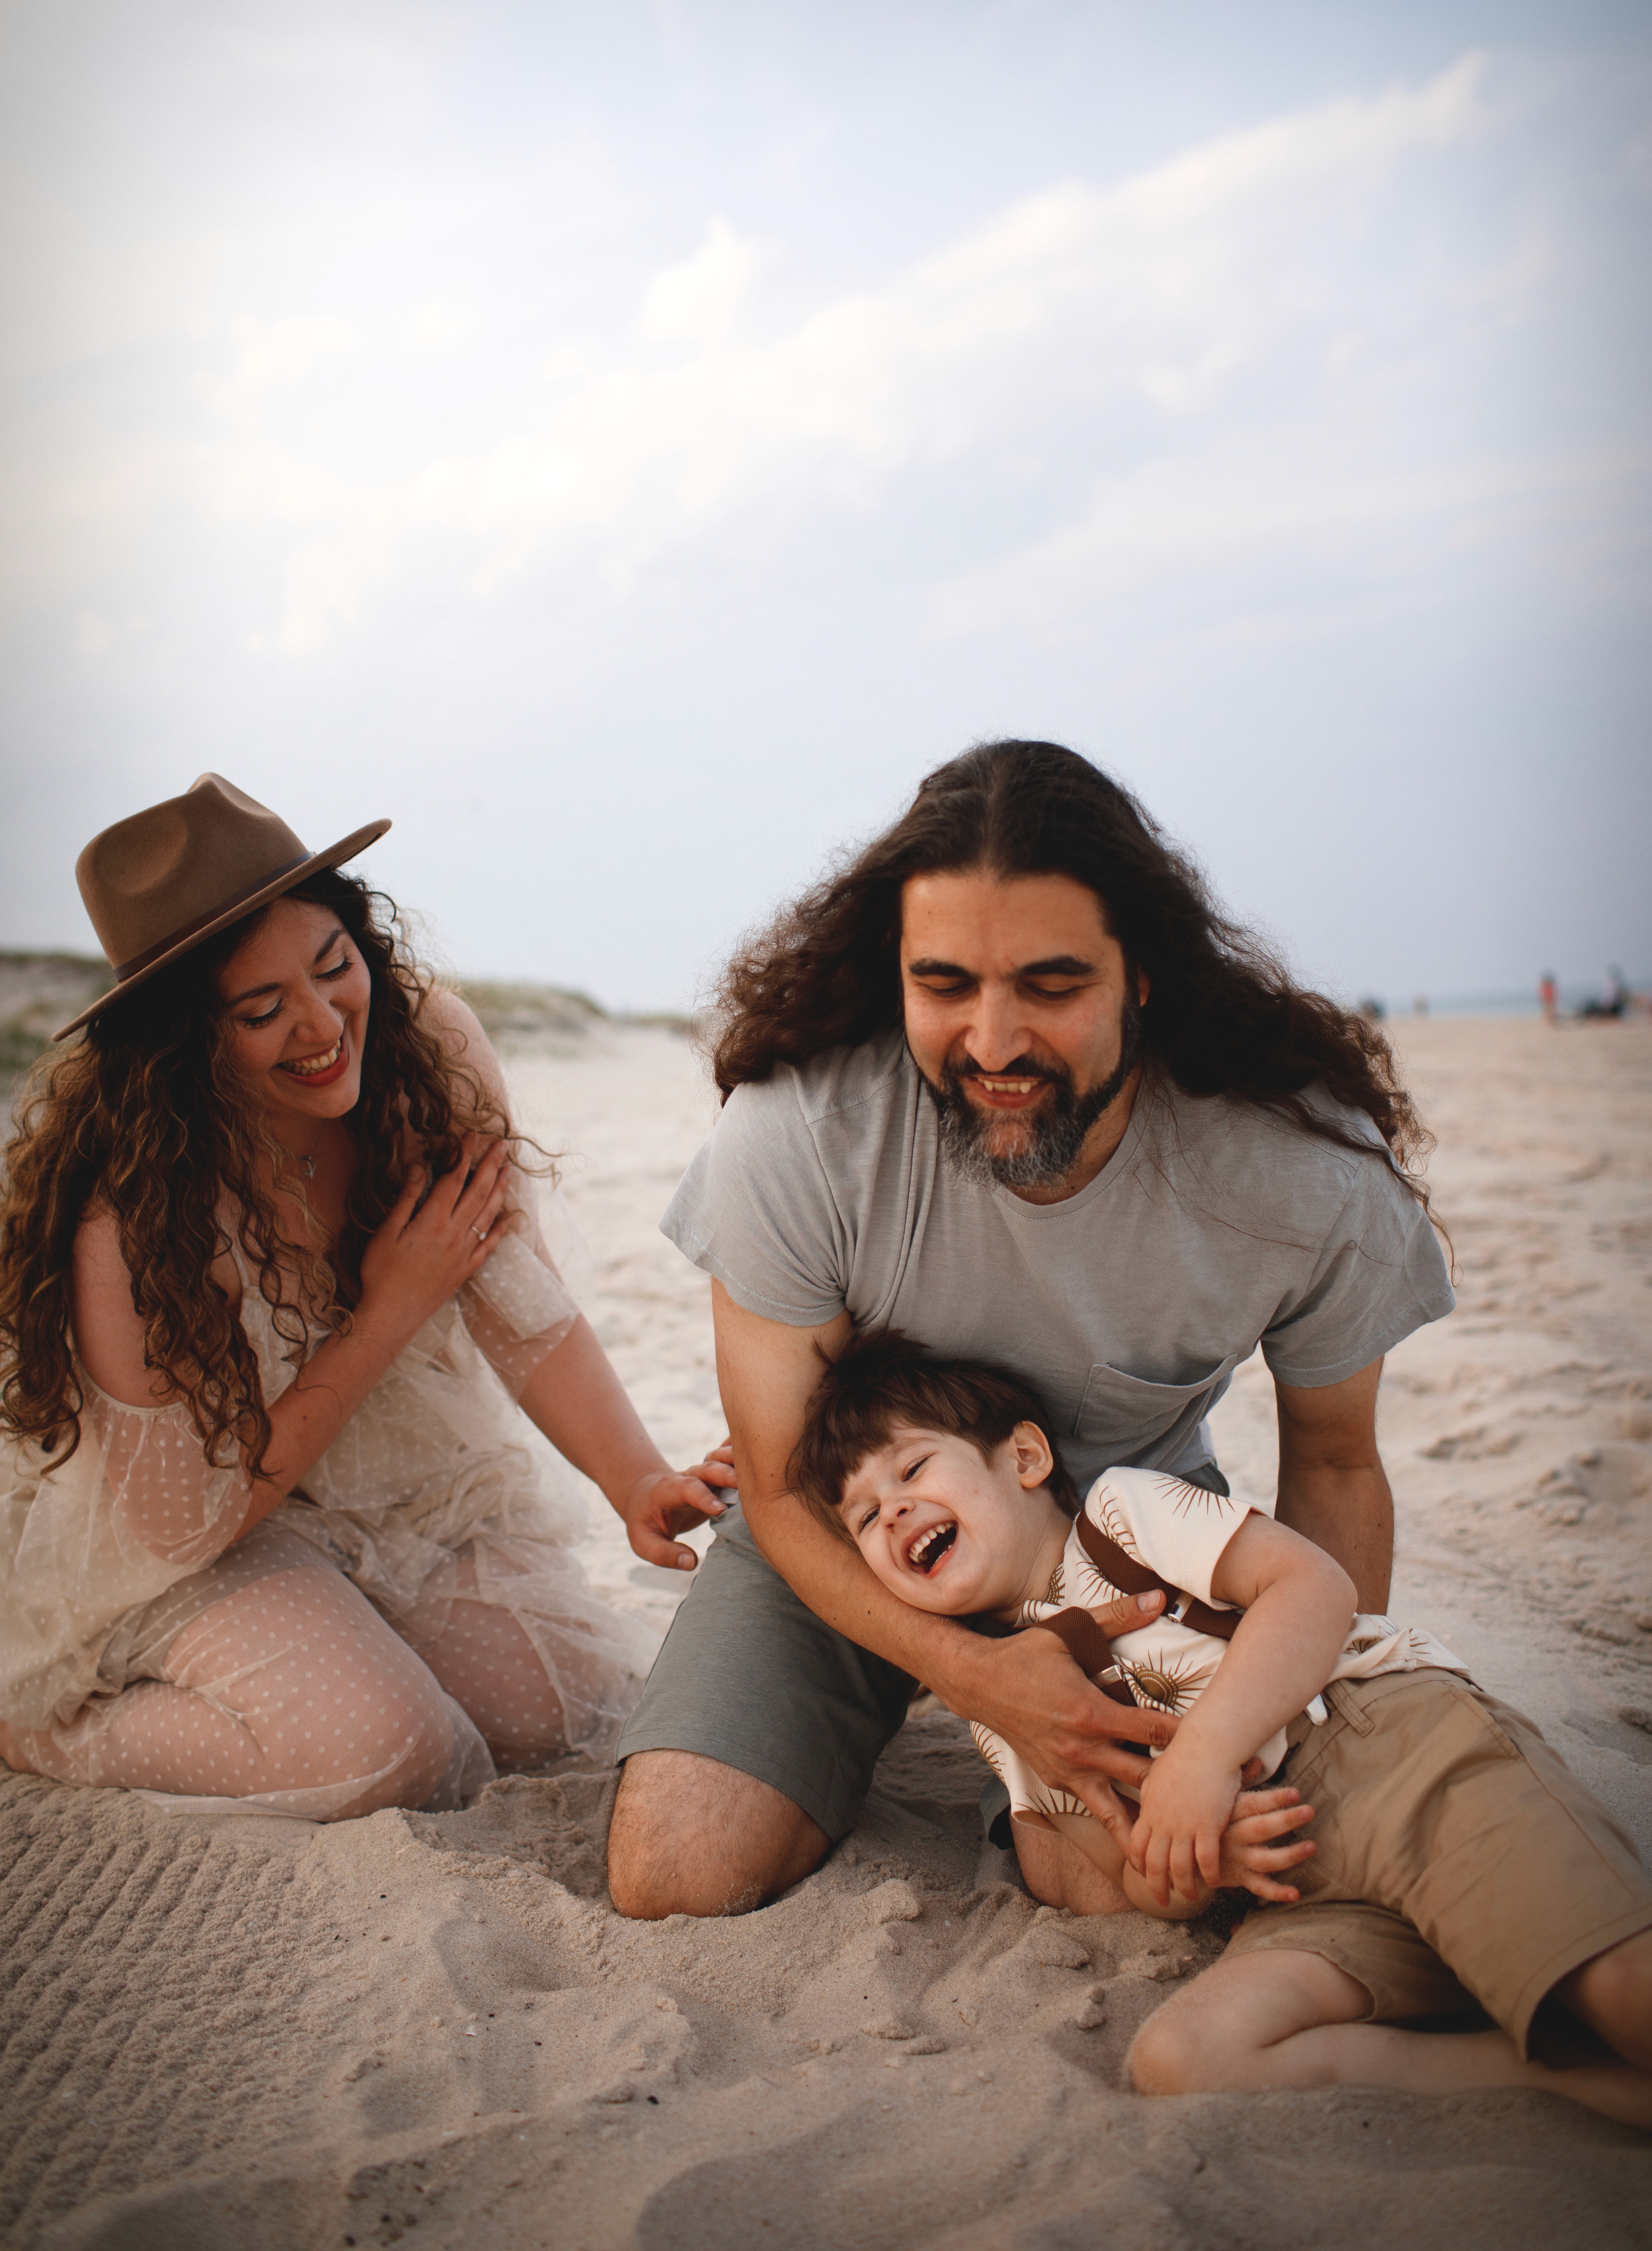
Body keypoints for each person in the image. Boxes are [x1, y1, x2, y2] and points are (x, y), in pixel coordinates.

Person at [608, 739, 1455, 1918]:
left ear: (1145, 973)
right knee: (673, 1878)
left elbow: (1335, 1462)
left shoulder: (1303, 1170)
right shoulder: (798, 1132)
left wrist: (1310, 1737)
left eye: (1052, 986)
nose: (995, 1043)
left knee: (1204, 1882)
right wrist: (980, 1678)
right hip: (852, 1526)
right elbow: (778, 1476)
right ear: (894, 969)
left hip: (1133, 1557)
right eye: (946, 985)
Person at [0, 774, 732, 1820]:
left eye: (334, 967)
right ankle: (41, 1732)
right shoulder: (133, 1213)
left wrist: (635, 1481)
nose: (320, 1026)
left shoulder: (426, 1049)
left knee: (562, 1706)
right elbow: (180, 1530)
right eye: (261, 1011)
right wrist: (389, 1309)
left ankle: (343, 1628)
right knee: (393, 1753)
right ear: (185, 1046)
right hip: (189, 1536)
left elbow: (518, 1299)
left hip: (387, 1485)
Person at [792, 1329, 1652, 2129]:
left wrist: (1201, 1759)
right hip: (1299, 1884)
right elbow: (1138, 1879)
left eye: (910, 1472)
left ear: (1022, 1457)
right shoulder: (1002, 1718)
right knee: (1184, 2059)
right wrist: (1196, 1859)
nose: (895, 1513)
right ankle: (1547, 2079)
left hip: (1395, 1760)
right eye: (864, 1517)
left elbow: (1314, 1589)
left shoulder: (1124, 1518)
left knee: (1619, 1990)